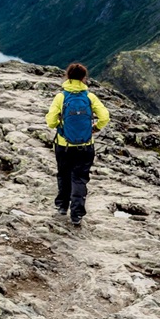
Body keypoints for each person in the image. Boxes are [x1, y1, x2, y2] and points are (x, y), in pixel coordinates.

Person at [45, 62, 110, 227]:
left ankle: (61, 206)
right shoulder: (89, 97)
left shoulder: (61, 97)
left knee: (64, 174)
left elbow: (51, 122)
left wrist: (61, 125)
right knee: (80, 179)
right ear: (83, 78)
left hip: (63, 145)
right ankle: (77, 214)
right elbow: (105, 116)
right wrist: (95, 128)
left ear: (67, 77)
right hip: (86, 146)